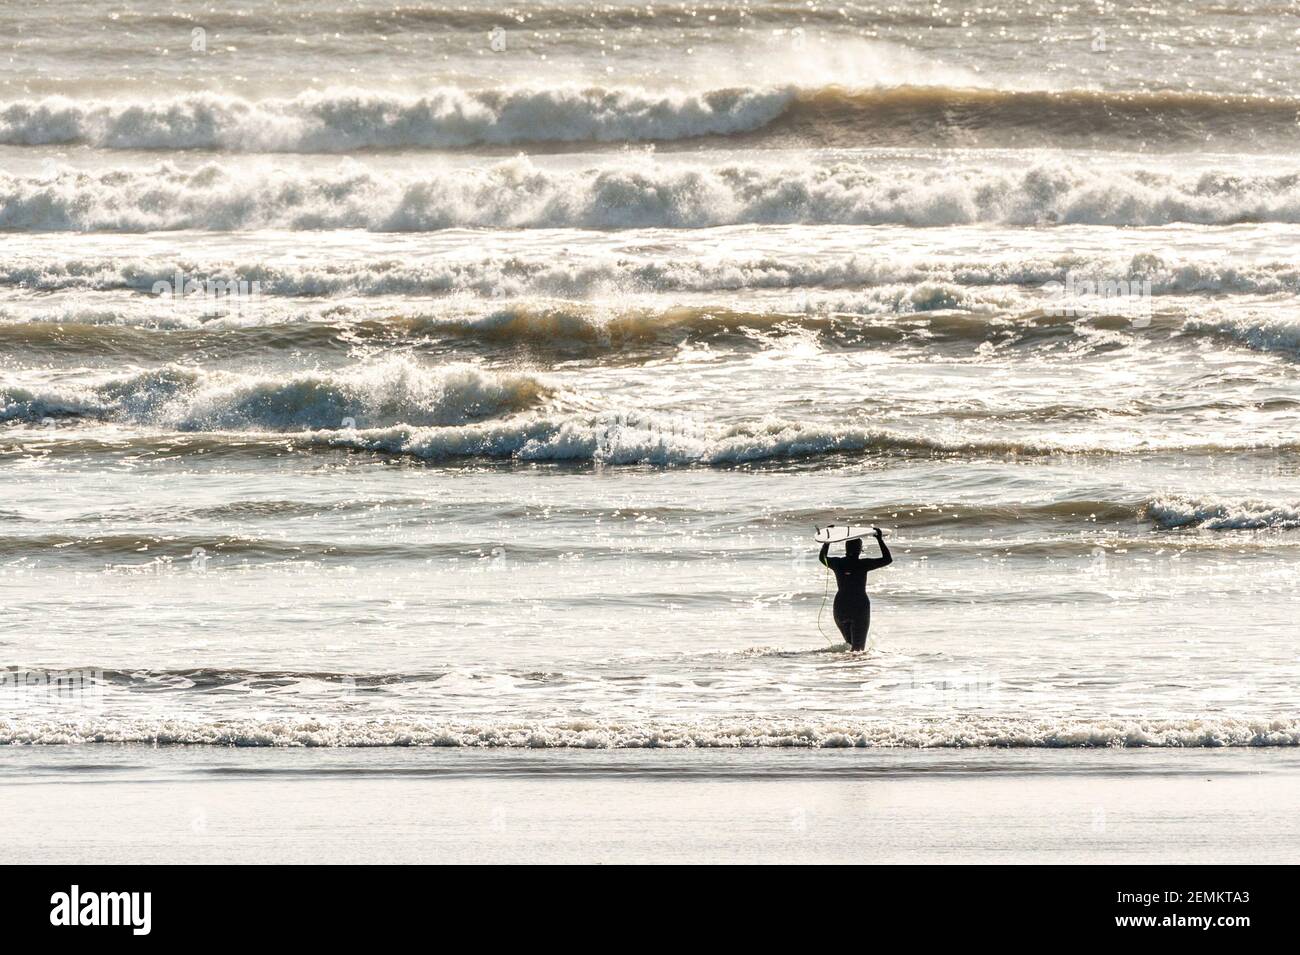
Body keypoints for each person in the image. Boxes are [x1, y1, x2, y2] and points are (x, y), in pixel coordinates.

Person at [818, 527, 891, 651]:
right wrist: (879, 539)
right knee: (858, 648)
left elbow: (822, 558)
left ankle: (849, 667)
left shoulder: (838, 563)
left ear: (846, 550)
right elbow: (887, 559)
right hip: (859, 606)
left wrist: (827, 541)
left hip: (841, 606)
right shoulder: (863, 564)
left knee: (850, 645)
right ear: (860, 550)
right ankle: (855, 668)